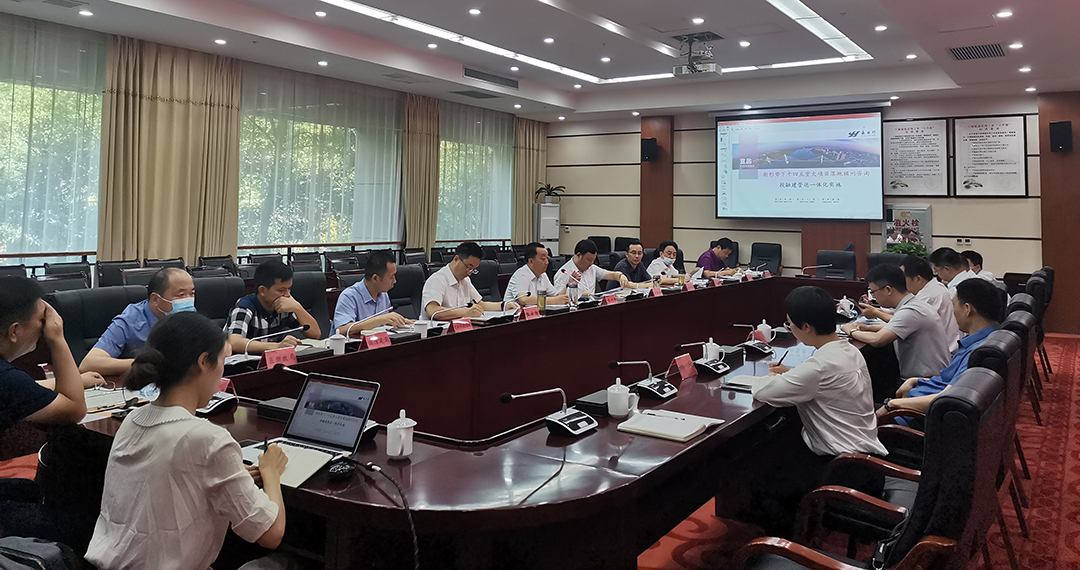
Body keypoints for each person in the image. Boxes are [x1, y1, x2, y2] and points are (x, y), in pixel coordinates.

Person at [85, 312, 290, 570]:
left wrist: (232, 473)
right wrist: (271, 472)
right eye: (222, 361)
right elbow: (271, 533)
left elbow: (166, 482)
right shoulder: (208, 438)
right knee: (284, 562)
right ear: (204, 362)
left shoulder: (133, 419)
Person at [724, 286, 886, 536]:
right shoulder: (848, 350)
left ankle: (786, 548)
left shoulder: (820, 365)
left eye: (790, 324)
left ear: (806, 327)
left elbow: (764, 392)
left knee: (762, 483)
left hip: (842, 471)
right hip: (866, 462)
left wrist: (769, 377)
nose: (790, 328)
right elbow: (820, 382)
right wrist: (792, 375)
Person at [0, 276, 95, 547]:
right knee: (84, 524)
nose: (45, 326)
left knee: (30, 490)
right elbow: (74, 408)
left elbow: (20, 389)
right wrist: (57, 339)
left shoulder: (8, 379)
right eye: (42, 320)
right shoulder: (6, 380)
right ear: (15, 331)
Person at [879, 278, 1003, 423]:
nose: (953, 311)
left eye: (954, 305)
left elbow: (947, 399)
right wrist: (916, 380)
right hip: (918, 403)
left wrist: (892, 404)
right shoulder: (987, 338)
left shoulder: (979, 352)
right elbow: (949, 382)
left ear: (967, 309)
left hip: (916, 417)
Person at [842, 264, 951, 380]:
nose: (873, 297)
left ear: (888, 290)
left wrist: (850, 330)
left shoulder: (911, 311)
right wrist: (866, 328)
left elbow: (877, 340)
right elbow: (896, 327)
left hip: (927, 381)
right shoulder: (916, 304)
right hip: (931, 376)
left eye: (873, 292)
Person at [80, 267, 196, 376]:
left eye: (192, 294)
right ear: (155, 299)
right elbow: (89, 364)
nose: (188, 300)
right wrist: (144, 364)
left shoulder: (189, 316)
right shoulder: (130, 321)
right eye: (181, 295)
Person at [859, 256, 961, 353]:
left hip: (947, 353)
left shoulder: (930, 296)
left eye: (903, 277)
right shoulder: (931, 289)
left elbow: (879, 339)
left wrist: (853, 330)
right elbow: (900, 322)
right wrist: (869, 325)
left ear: (918, 279)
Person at [224, 260, 321, 355]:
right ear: (262, 291)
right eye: (281, 290)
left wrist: (297, 307)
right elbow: (234, 342)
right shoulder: (245, 307)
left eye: (289, 289)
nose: (287, 295)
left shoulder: (284, 305)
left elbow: (315, 334)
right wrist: (277, 346)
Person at [422, 242, 520, 320]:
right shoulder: (437, 280)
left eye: (474, 270)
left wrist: (504, 306)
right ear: (456, 259)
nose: (470, 273)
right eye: (469, 267)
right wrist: (466, 312)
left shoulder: (466, 280)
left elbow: (480, 304)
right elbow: (433, 311)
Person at [333, 250, 413, 337]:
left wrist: (399, 322)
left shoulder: (383, 295)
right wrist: (378, 320)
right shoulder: (349, 296)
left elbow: (383, 324)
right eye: (391, 277)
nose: (395, 281)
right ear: (375, 278)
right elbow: (341, 330)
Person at [552, 239, 630, 298]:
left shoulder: (591, 268)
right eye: (589, 260)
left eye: (593, 260)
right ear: (579, 255)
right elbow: (558, 298)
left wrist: (620, 276)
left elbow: (611, 275)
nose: (591, 263)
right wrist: (582, 294)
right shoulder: (564, 272)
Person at [504, 243, 570, 306]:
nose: (547, 262)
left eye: (547, 258)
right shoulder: (520, 275)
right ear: (531, 261)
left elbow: (557, 296)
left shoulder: (543, 275)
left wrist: (569, 284)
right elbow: (524, 300)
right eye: (543, 259)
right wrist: (554, 300)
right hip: (514, 313)